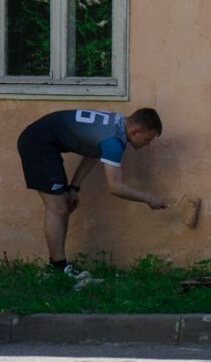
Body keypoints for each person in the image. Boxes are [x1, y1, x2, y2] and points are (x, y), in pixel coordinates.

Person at [17, 108, 168, 280]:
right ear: (136, 131)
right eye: (147, 139)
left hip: (46, 143)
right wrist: (149, 198)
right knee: (57, 208)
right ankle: (57, 267)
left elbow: (93, 152)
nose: (147, 144)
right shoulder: (113, 142)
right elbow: (115, 187)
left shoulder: (118, 124)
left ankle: (56, 266)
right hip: (37, 143)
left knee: (62, 205)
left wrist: (74, 187)